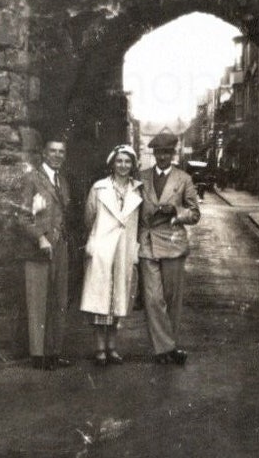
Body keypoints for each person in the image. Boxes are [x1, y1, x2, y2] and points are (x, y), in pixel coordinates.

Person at [138, 133, 200, 365]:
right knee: (153, 298)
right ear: (154, 154)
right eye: (159, 152)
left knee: (172, 298)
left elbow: (194, 214)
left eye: (167, 152)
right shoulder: (142, 177)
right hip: (148, 242)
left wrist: (175, 212)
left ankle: (168, 346)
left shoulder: (183, 179)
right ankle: (163, 348)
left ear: (172, 154)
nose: (162, 156)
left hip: (173, 242)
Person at [80, 144, 143, 366]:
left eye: (127, 162)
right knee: (100, 301)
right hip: (103, 249)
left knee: (118, 300)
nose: (123, 166)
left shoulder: (138, 190)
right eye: (119, 161)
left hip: (124, 250)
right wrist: (96, 243)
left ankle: (113, 348)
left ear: (133, 165)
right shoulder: (99, 189)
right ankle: (99, 349)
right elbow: (89, 218)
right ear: (112, 163)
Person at [19, 137, 73, 370]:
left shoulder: (63, 181)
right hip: (38, 249)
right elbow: (21, 216)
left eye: (61, 151)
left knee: (58, 301)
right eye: (53, 151)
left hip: (60, 247)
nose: (57, 155)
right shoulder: (32, 179)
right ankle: (38, 355)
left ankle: (54, 353)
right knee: (38, 300)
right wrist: (40, 237)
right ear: (43, 153)